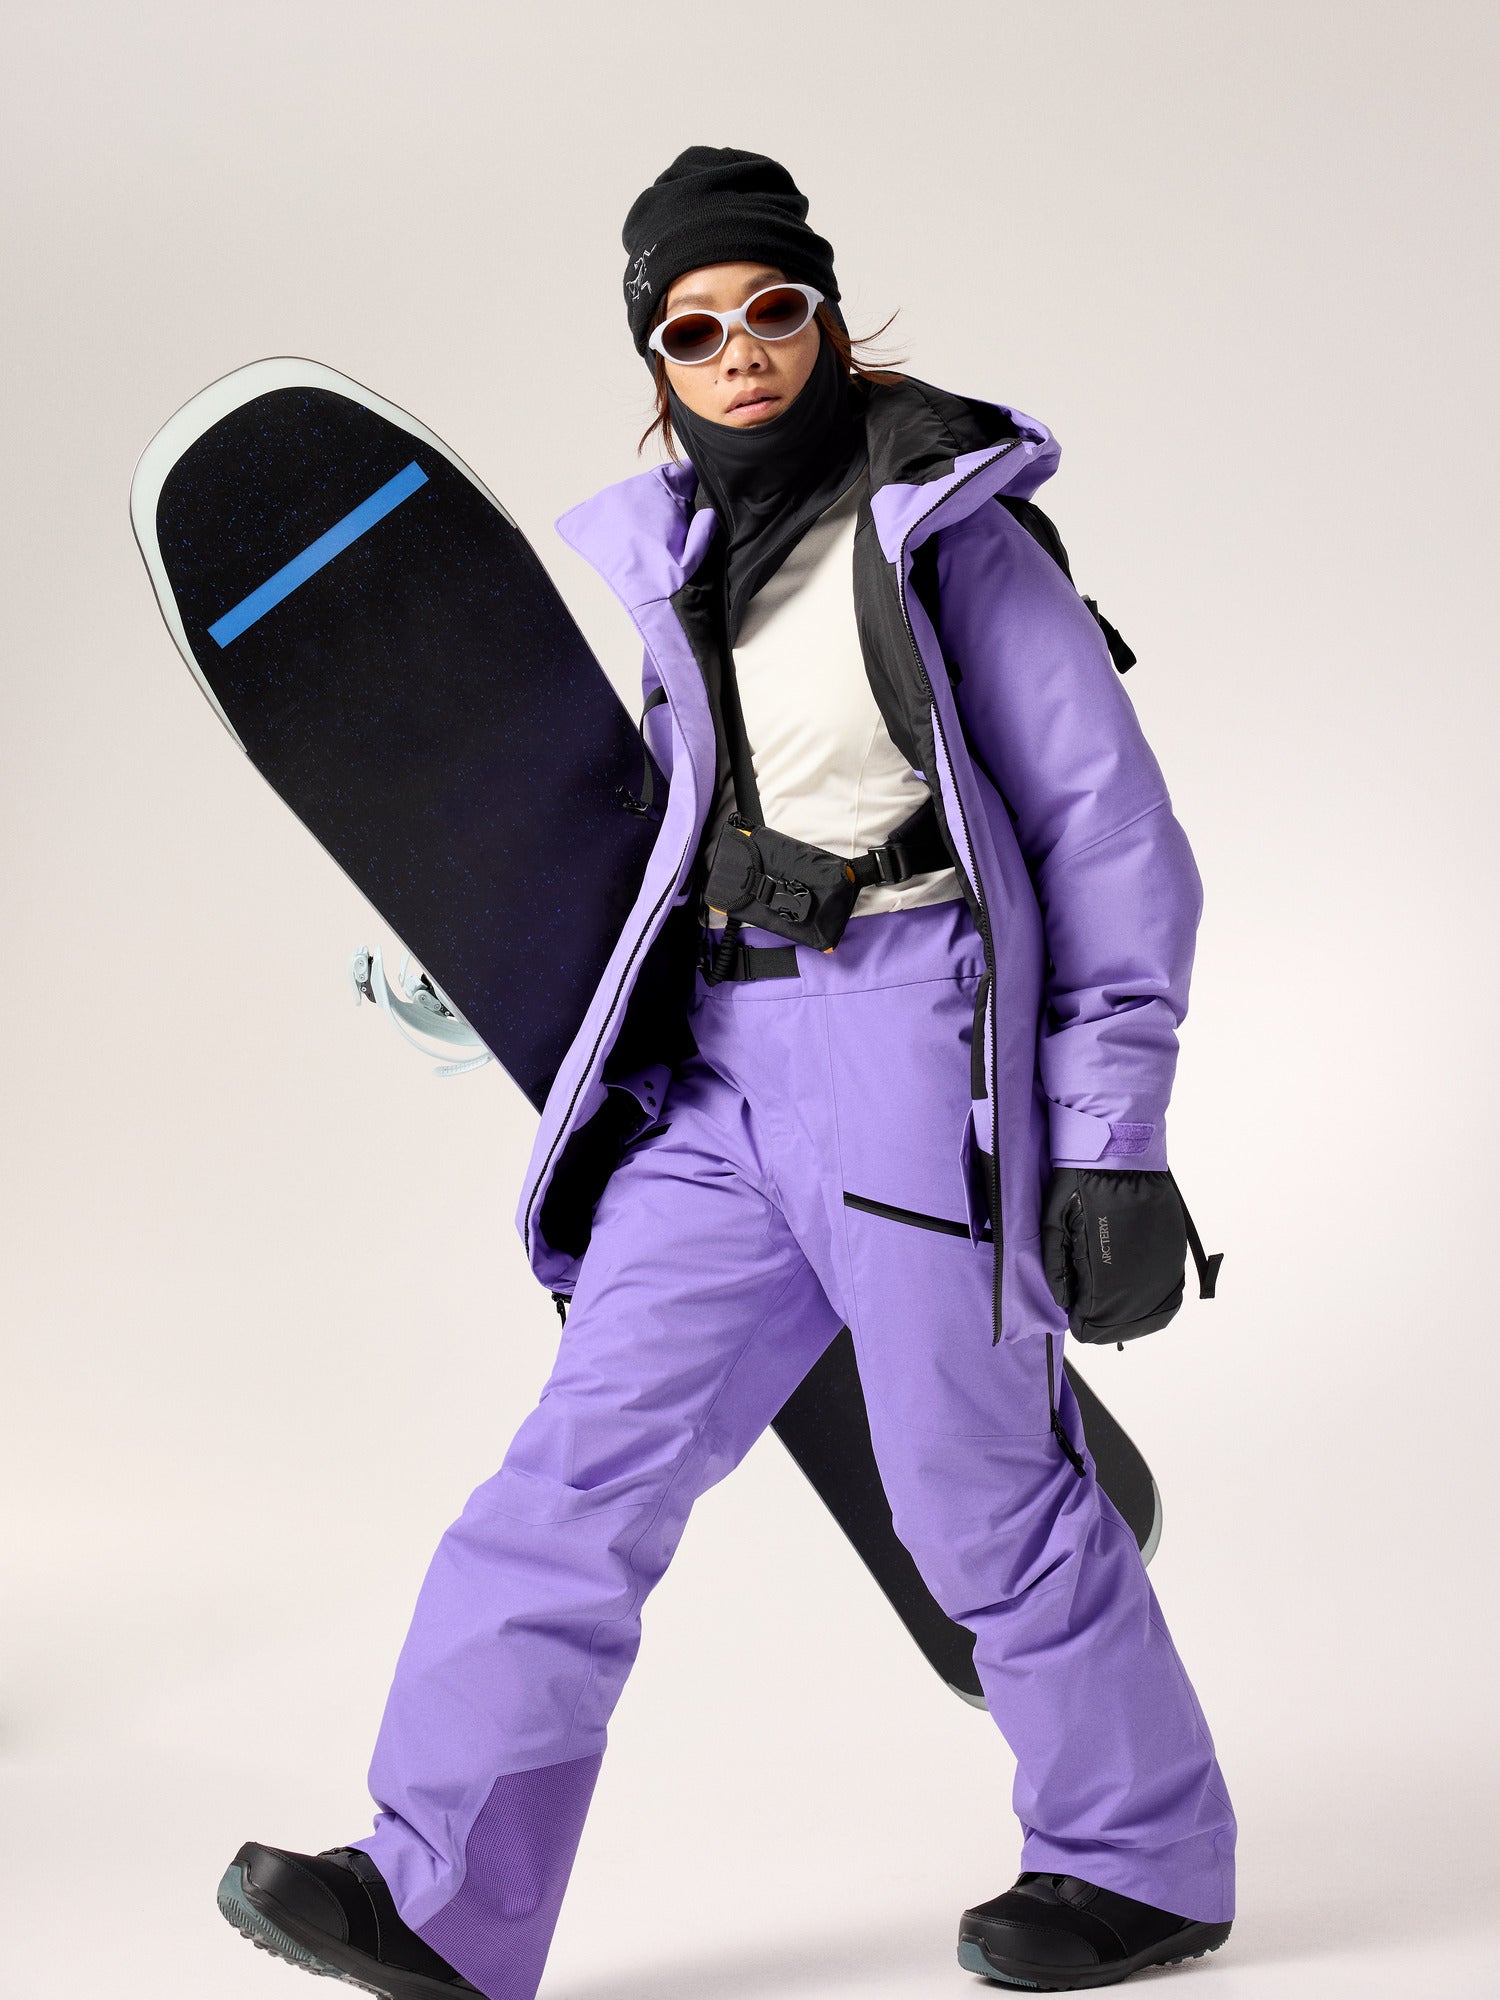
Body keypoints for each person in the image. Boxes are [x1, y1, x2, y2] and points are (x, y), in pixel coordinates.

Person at [217, 146, 1236, 1997]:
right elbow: (678, 825)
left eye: (774, 307)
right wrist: (489, 969)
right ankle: (438, 1892)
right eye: (696, 328)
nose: (741, 348)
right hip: (721, 1078)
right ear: (657, 361)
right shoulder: (681, 557)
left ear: (827, 320)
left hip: (914, 1044)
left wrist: (1110, 1135)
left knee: (975, 1489)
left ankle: (1138, 1857)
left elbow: (1112, 839)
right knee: (571, 1478)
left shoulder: (949, 538)